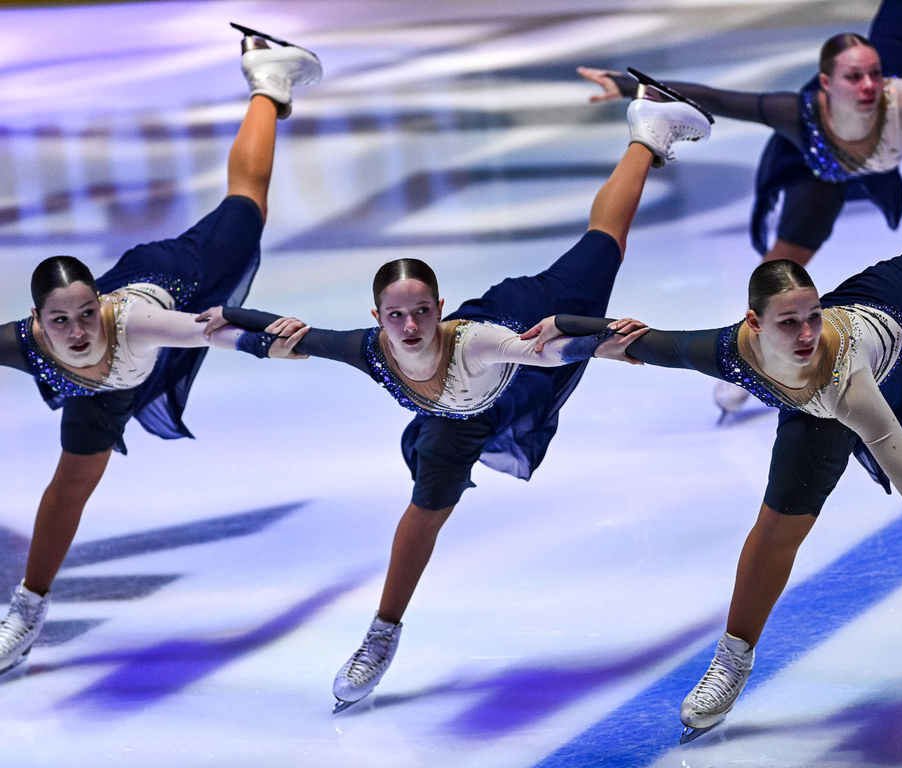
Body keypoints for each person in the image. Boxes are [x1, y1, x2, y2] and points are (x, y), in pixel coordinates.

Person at [533, 18, 902, 740]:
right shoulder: (733, 350)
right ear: (753, 328)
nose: (804, 331)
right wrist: (562, 336)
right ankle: (733, 659)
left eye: (807, 316)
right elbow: (639, 343)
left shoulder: (845, 374)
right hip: (819, 401)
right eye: (788, 322)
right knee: (777, 527)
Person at [200, 90, 713, 713]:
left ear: (440, 310)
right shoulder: (370, 349)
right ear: (378, 318)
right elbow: (294, 335)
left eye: (422, 311)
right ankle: (382, 635)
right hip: (455, 421)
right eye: (397, 315)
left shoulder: (475, 341)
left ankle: (646, 133)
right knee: (425, 512)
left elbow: (548, 353)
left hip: (527, 330)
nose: (411, 325)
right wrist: (230, 317)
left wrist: (599, 339)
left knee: (606, 243)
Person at [0, 25, 322, 677]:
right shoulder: (30, 343)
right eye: (61, 322)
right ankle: (27, 612)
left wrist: (272, 341)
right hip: (106, 384)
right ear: (37, 324)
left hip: (182, 276)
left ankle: (270, 82)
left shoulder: (136, 325)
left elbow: (210, 326)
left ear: (100, 306)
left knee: (246, 205)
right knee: (72, 483)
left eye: (87, 314)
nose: (79, 330)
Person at [578, 0, 902, 416]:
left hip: (878, 125)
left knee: (901, 14)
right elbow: (720, 99)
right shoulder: (796, 114)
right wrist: (630, 87)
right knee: (781, 268)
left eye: (873, 75)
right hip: (820, 168)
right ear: (825, 83)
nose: (867, 87)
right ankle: (751, 361)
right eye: (853, 77)